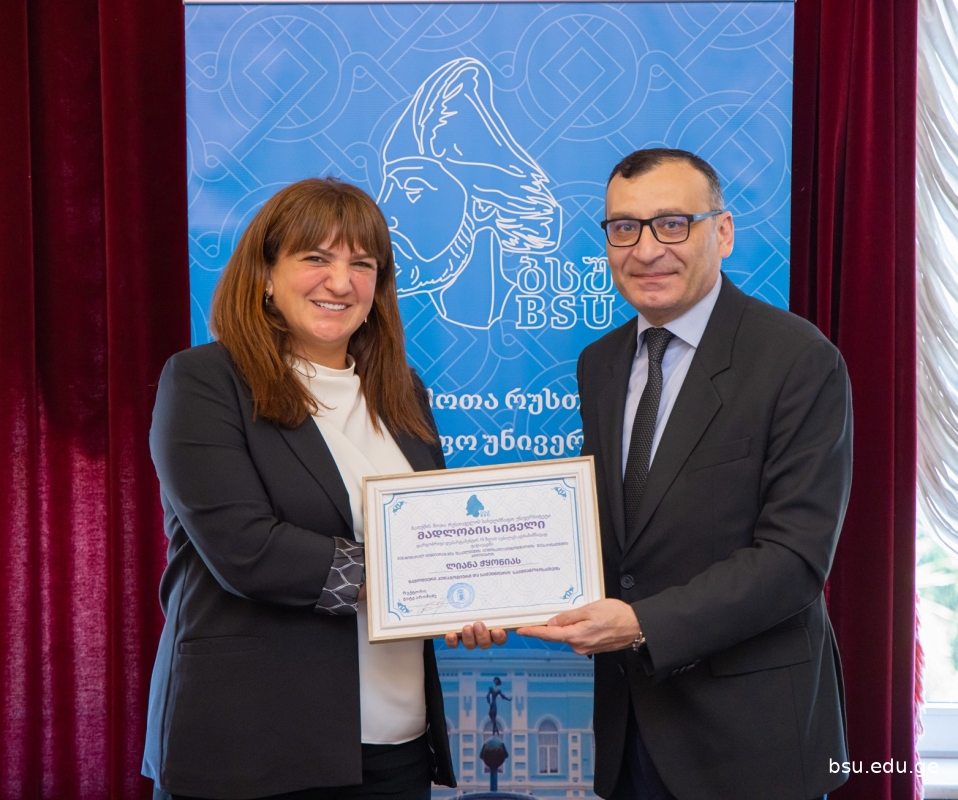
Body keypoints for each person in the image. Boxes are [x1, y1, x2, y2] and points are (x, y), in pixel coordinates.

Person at [518, 149, 852, 800]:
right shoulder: (600, 363)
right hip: (629, 729)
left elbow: (794, 560)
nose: (646, 250)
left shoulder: (798, 359)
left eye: (672, 223)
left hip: (749, 740)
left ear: (721, 232)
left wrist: (642, 622)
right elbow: (617, 532)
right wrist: (490, 597)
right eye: (624, 227)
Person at [143, 177, 470, 800]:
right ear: (265, 275)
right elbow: (246, 549)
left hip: (397, 744)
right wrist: (422, 579)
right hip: (256, 745)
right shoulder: (205, 382)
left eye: (362, 264)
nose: (341, 282)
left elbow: (437, 533)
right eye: (316, 258)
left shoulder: (403, 390)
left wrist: (469, 596)